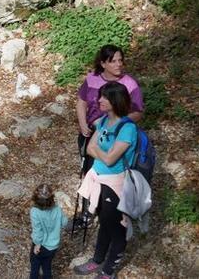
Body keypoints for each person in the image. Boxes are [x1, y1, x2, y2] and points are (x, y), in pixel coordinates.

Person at [74, 81, 138, 278]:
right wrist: (103, 153)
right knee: (104, 222)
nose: (99, 99)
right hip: (98, 180)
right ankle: (97, 260)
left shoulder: (127, 129)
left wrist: (100, 152)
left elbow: (110, 159)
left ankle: (108, 271)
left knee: (116, 228)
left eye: (104, 97)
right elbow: (90, 149)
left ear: (115, 101)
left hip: (115, 184)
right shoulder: (102, 121)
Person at [76, 45, 144, 176]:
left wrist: (112, 124)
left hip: (115, 136)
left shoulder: (130, 84)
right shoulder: (92, 79)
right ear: (103, 63)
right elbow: (82, 102)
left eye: (120, 60)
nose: (118, 65)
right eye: (113, 61)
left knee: (110, 171)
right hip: (90, 132)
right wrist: (83, 125)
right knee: (89, 169)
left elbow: (137, 112)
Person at [30, 184, 65, 279]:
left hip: (41, 245)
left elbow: (38, 230)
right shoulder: (57, 208)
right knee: (47, 267)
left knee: (35, 266)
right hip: (53, 246)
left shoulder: (34, 211)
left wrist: (37, 244)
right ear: (51, 198)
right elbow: (65, 222)